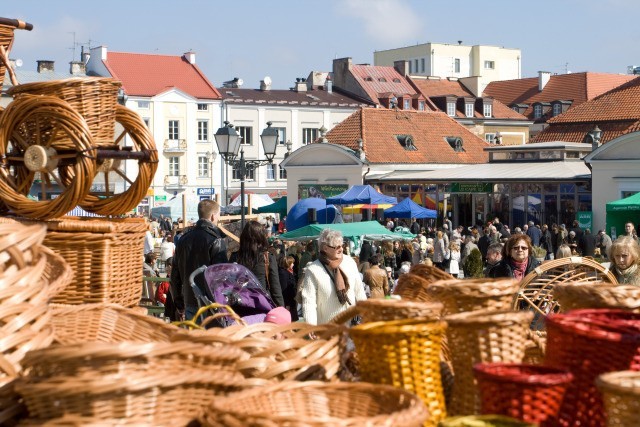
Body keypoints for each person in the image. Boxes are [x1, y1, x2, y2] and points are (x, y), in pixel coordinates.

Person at [171, 199, 228, 321]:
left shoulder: (183, 240)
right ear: (213, 216)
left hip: (189, 299)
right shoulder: (216, 240)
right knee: (211, 338)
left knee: (194, 338)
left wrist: (178, 302)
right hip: (211, 303)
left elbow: (174, 275)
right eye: (218, 215)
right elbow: (221, 277)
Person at [300, 229, 367, 325]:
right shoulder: (313, 270)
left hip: (350, 327)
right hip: (326, 329)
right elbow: (309, 300)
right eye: (337, 247)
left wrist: (366, 313)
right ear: (325, 248)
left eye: (342, 245)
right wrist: (310, 325)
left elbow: (359, 290)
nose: (341, 249)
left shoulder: (350, 262)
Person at [236, 220, 285, 307]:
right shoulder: (267, 257)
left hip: (241, 305)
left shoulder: (235, 257)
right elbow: (275, 288)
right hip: (262, 305)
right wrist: (281, 309)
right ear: (261, 237)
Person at [278, 255, 299, 321]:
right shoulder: (283, 274)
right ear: (288, 264)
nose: (293, 264)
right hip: (288, 302)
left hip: (291, 301)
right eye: (292, 263)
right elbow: (284, 289)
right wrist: (287, 304)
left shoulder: (290, 272)